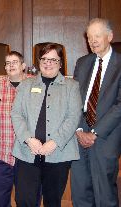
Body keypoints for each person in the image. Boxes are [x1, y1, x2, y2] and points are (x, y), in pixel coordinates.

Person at [11, 43, 82, 207]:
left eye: (53, 59)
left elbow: (73, 117)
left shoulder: (71, 86)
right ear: (38, 61)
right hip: (27, 152)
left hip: (58, 154)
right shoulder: (26, 85)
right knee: (24, 200)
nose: (48, 63)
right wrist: (29, 139)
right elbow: (16, 114)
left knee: (52, 201)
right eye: (44, 59)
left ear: (60, 63)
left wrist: (54, 142)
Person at [71, 18, 121, 207]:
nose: (92, 41)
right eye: (89, 37)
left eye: (97, 36)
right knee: (80, 190)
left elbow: (120, 105)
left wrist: (95, 132)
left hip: (106, 136)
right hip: (79, 135)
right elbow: (73, 100)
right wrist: (78, 130)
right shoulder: (82, 62)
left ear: (110, 36)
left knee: (104, 193)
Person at [0, 51, 31, 207]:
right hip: (0, 154)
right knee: (0, 201)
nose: (11, 65)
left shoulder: (35, 84)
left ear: (23, 66)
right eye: (7, 63)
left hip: (27, 156)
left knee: (27, 201)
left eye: (15, 62)